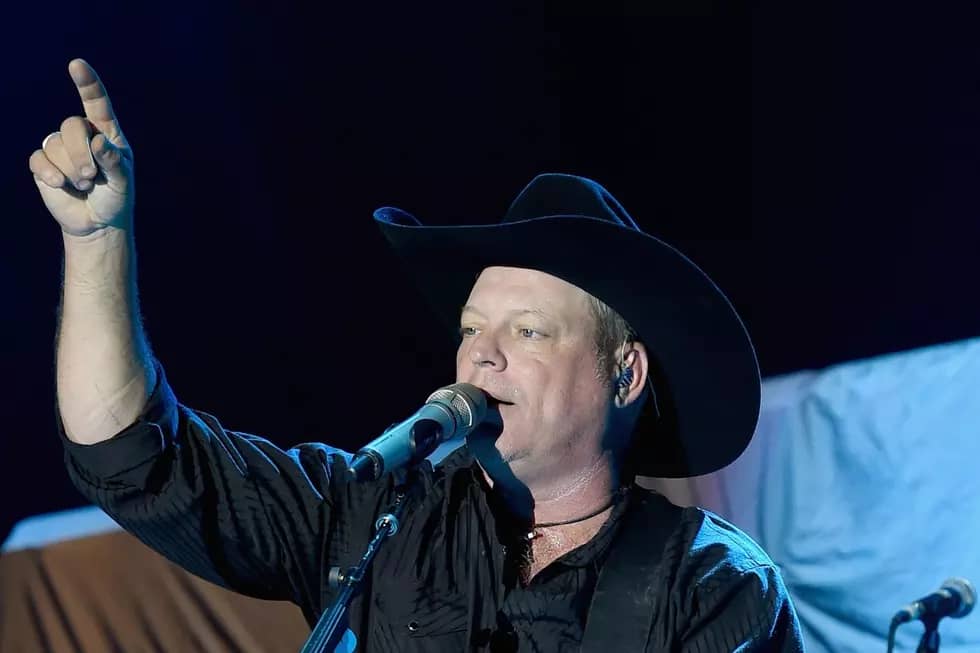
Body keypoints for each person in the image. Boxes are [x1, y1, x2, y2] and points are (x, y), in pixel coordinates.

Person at [30, 58, 805, 652]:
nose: (482, 358)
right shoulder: (369, 516)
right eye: (472, 329)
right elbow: (132, 455)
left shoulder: (712, 586)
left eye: (528, 331)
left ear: (625, 373)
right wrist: (96, 241)